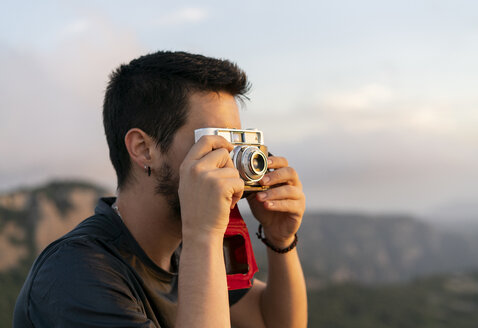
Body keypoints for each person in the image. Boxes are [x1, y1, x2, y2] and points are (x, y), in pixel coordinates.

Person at [14, 51, 307, 327]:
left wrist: (280, 240)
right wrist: (203, 236)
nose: (231, 161)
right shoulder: (74, 273)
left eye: (236, 142)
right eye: (214, 143)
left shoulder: (184, 251)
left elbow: (271, 322)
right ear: (143, 149)